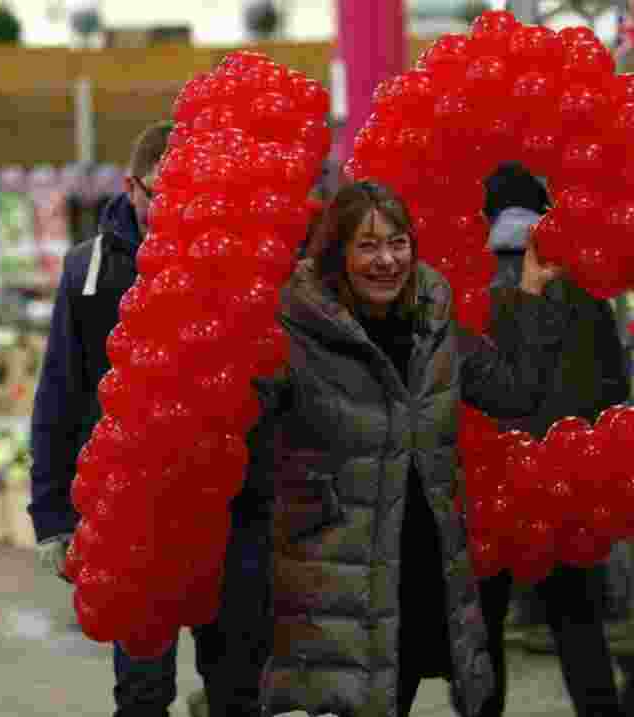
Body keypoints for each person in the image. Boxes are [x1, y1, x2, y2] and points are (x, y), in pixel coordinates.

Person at [245, 179, 570, 717]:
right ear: (337, 253)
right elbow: (247, 434)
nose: (386, 260)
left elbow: (514, 393)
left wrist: (530, 294)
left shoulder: (433, 324)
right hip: (343, 587)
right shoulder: (296, 331)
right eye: (368, 245)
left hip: (426, 574)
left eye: (398, 244)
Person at [29, 120, 271, 717]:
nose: (175, 210)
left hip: (229, 510)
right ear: (132, 187)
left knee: (237, 686)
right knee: (140, 692)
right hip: (134, 514)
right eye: (163, 195)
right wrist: (52, 515)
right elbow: (60, 393)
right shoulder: (90, 271)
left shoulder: (235, 260)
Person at [477, 162, 631, 717]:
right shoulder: (580, 277)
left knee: (481, 625)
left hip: (488, 477)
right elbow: (613, 380)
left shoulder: (465, 275)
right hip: (568, 472)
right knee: (577, 619)